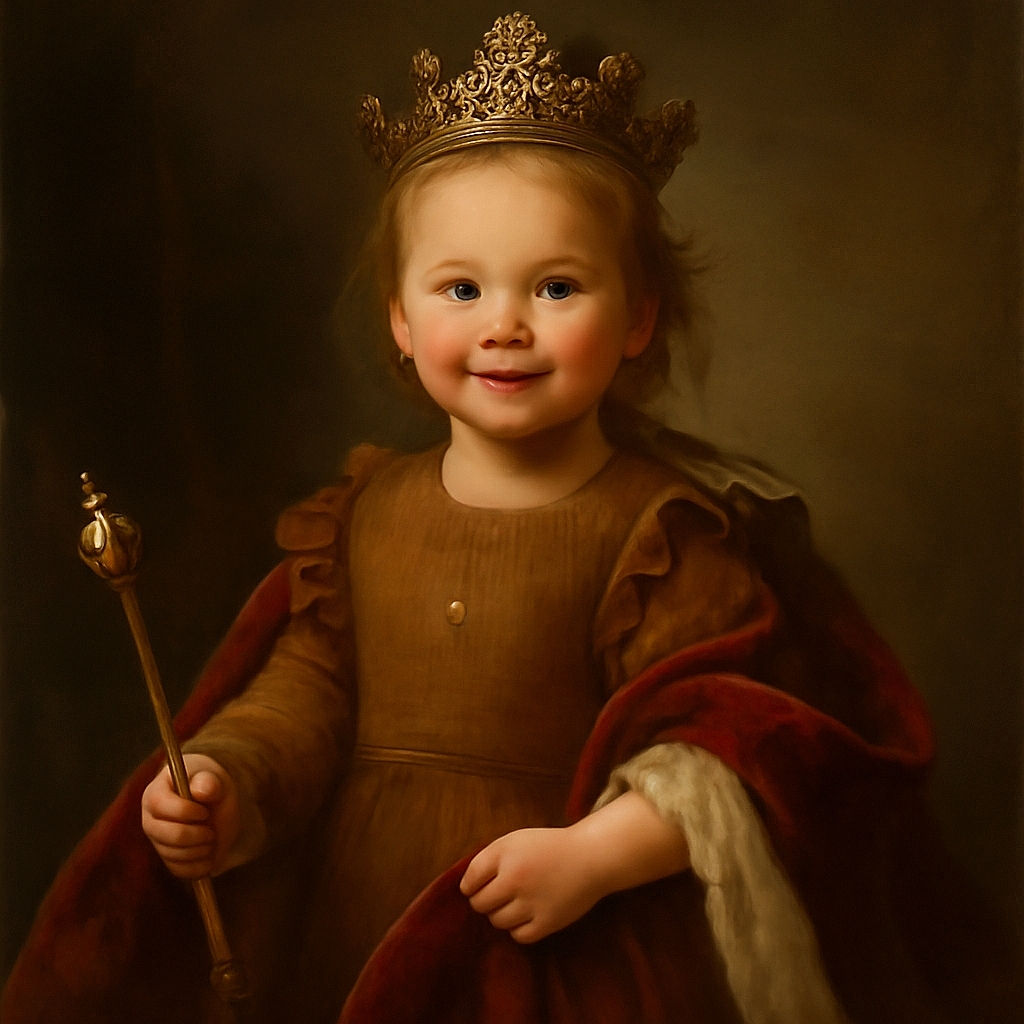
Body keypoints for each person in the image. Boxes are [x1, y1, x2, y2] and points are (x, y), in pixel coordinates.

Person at [3, 13, 1014, 1024]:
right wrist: (230, 786)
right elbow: (305, 695)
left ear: (639, 316)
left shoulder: (662, 530)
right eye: (460, 287)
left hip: (558, 944)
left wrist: (593, 854)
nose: (504, 324)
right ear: (401, 321)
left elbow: (721, 748)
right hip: (359, 924)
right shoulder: (364, 515)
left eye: (558, 285)